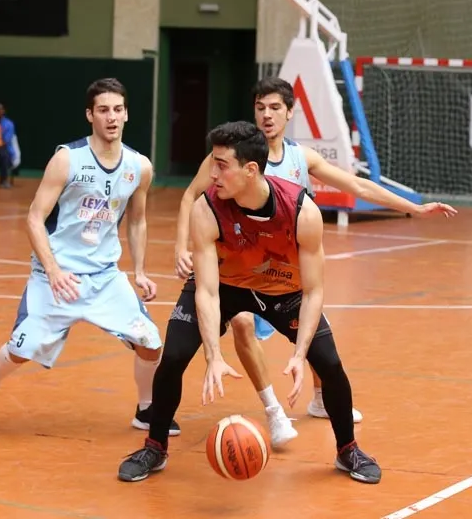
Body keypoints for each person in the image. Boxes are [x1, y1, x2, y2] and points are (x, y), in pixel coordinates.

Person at [173, 77, 457, 445]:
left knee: (313, 330)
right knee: (241, 323)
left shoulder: (300, 157)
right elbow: (191, 198)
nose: (267, 115)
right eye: (260, 108)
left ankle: (322, 400)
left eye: (275, 107)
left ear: (290, 112)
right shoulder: (229, 160)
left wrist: (413, 208)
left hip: (284, 268)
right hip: (241, 264)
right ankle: (274, 411)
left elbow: (358, 187)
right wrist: (182, 247)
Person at [118, 121, 382, 484]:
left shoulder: (301, 211)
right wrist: (213, 354)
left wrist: (300, 352)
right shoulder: (206, 208)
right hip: (225, 285)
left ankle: (347, 449)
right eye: (212, 162)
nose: (212, 174)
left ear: (251, 169)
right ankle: (155, 446)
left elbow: (314, 291)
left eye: (222, 165)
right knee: (176, 354)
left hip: (282, 289)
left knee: (330, 362)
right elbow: (207, 291)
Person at [0, 78, 180, 436]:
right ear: (89, 114)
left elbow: (137, 220)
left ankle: (146, 408)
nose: (112, 117)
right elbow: (33, 218)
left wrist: (139, 271)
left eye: (118, 110)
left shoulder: (139, 167)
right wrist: (53, 269)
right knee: (21, 348)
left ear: (126, 114)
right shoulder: (68, 159)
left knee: (150, 343)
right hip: (56, 276)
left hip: (105, 276)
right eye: (104, 110)